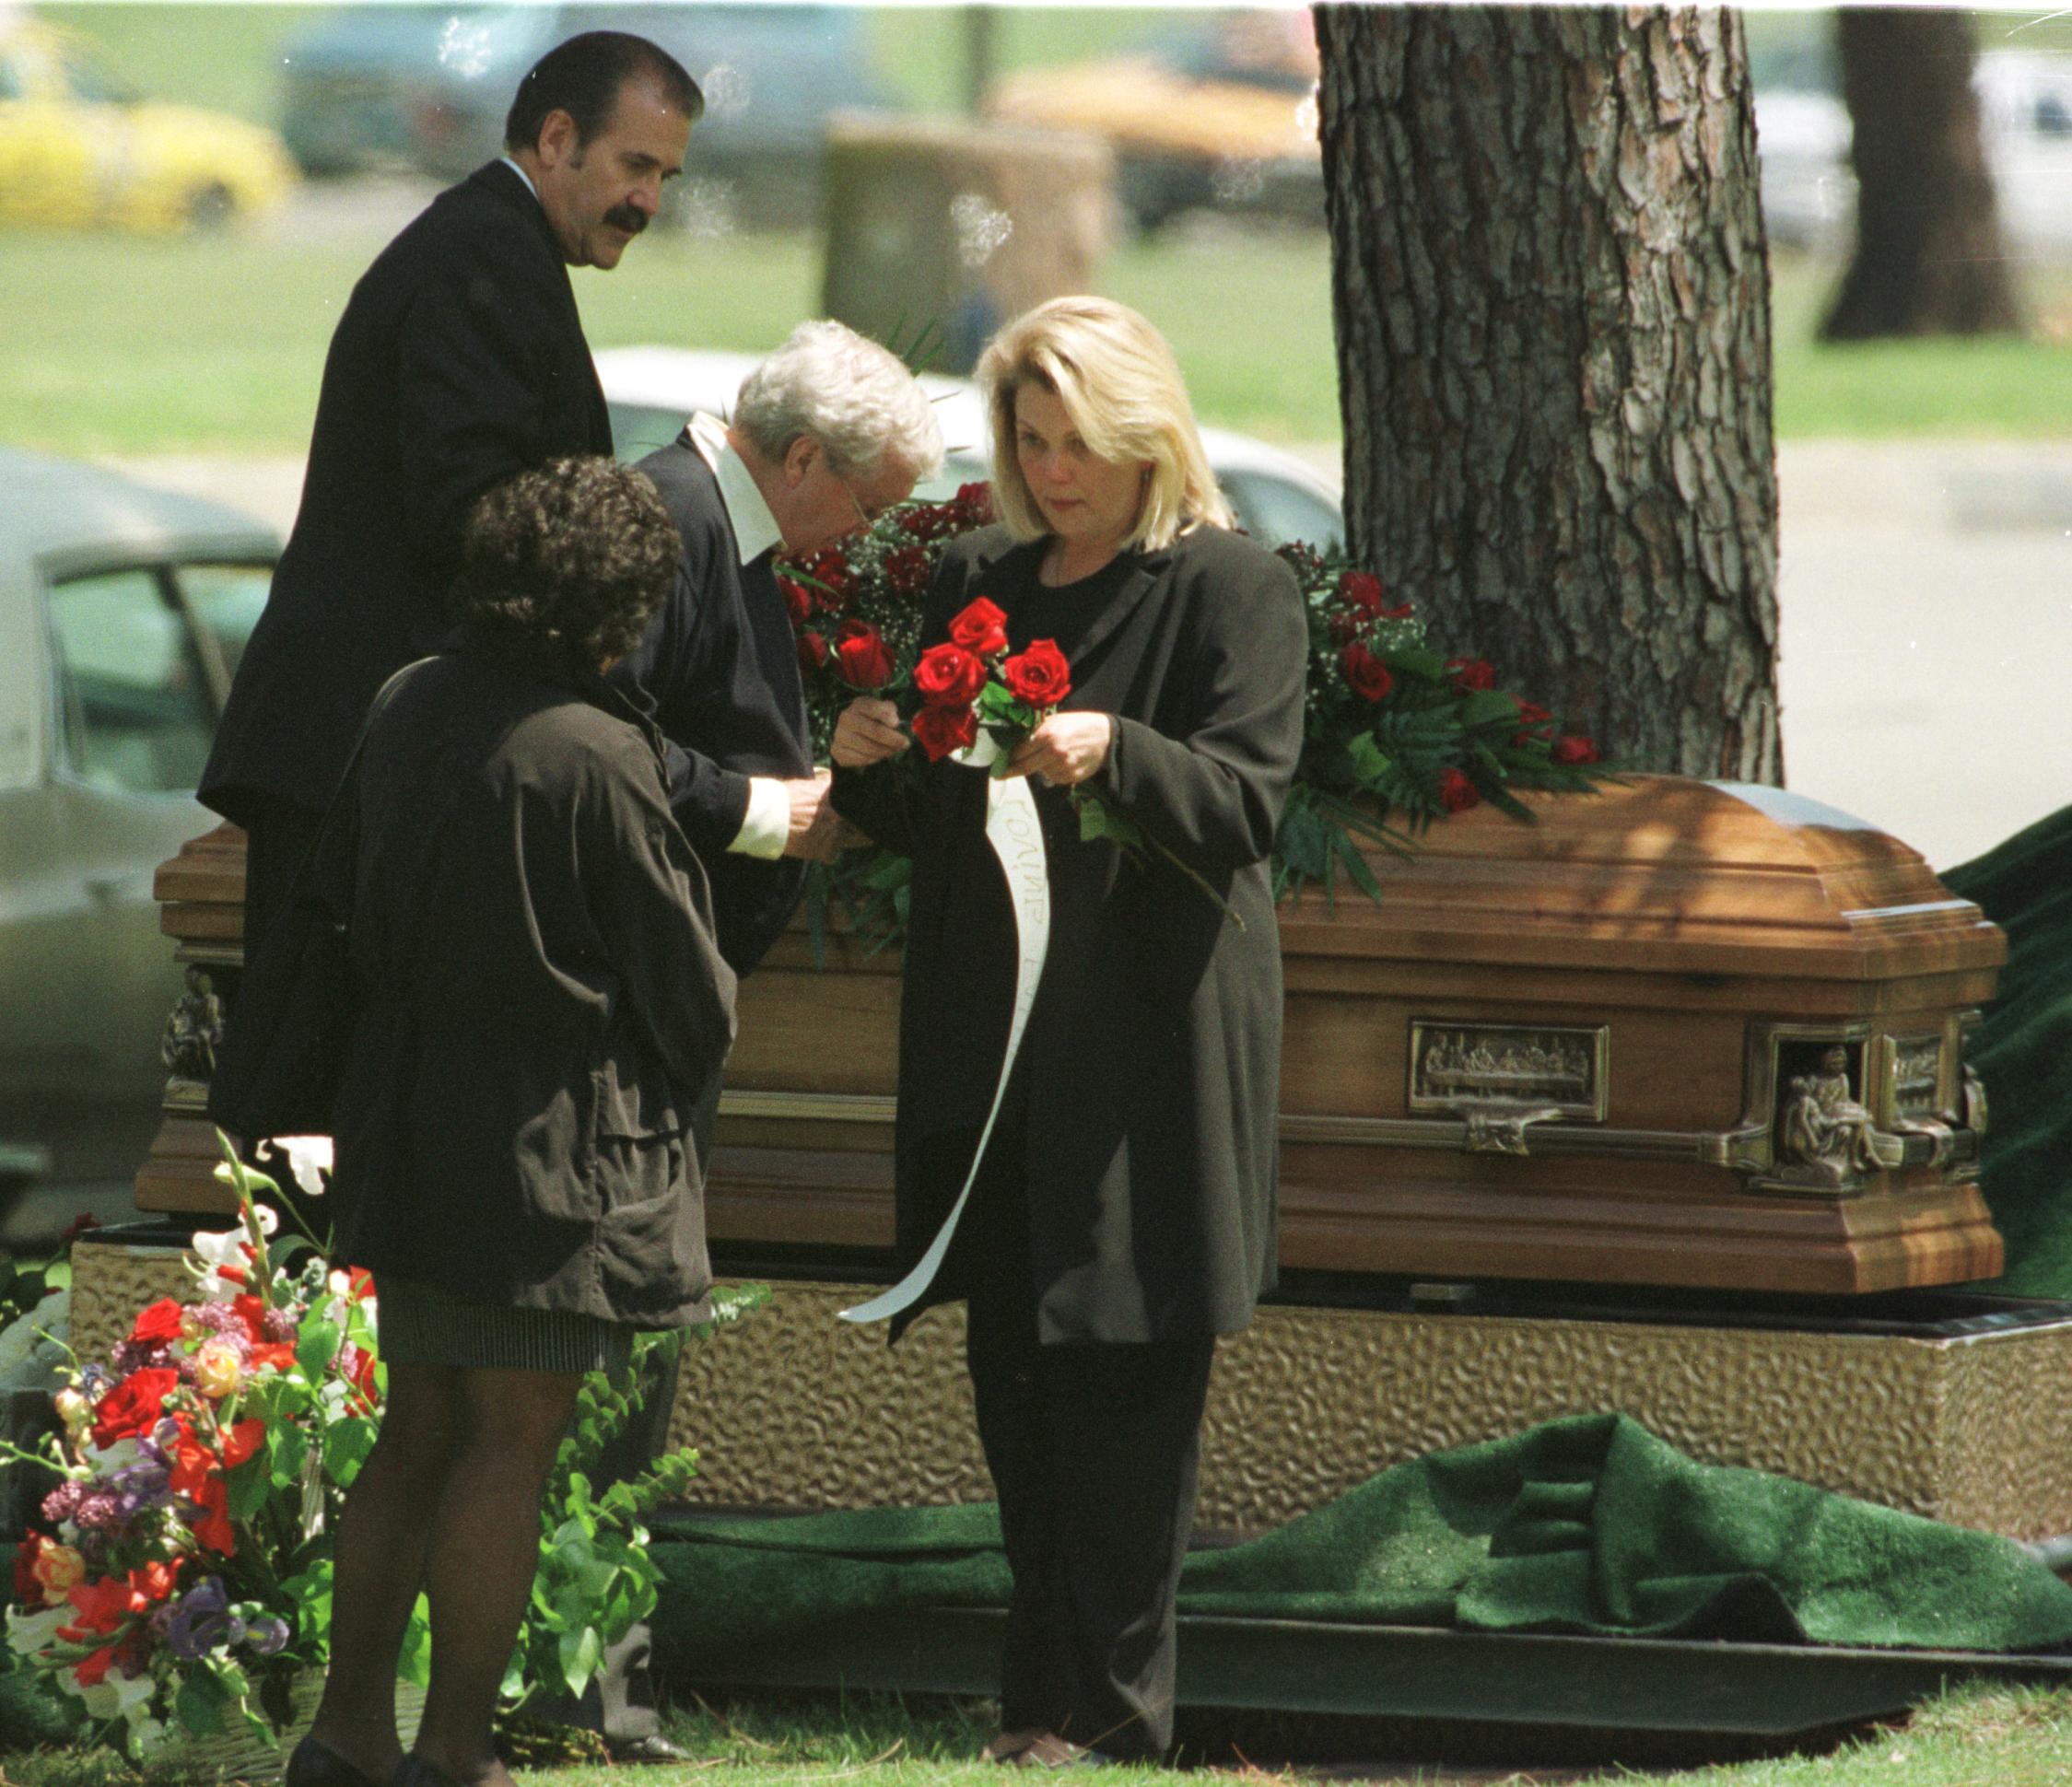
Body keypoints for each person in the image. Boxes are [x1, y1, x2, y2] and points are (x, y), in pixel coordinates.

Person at [828, 296, 1307, 1764]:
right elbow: (930, 802)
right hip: (998, 1047)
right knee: (1019, 1384)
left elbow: (1246, 801)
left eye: (1078, 442)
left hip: (1146, 1057)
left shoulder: (1228, 588)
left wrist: (1121, 748)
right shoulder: (981, 575)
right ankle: (1035, 1710)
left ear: (1144, 429)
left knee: (1127, 1395)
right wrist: (864, 760)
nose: (1053, 472)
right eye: (1030, 442)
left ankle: (1113, 1721)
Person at [287, 457, 736, 1787]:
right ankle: (455, 1751)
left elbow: (336, 898)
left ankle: (343, 1732)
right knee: (507, 1442)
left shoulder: (407, 702)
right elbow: (691, 996)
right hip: (551, 1147)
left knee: (413, 1429)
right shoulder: (597, 755)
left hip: (408, 1119)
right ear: (619, 608)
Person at [555, 319, 940, 1747]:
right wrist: (757, 807)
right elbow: (589, 729)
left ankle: (595, 1671)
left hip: (655, 997)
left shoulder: (723, 533)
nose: (868, 534)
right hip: (623, 1004)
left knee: (634, 1334)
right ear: (796, 459)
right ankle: (587, 1677)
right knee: (616, 1340)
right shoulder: (667, 520)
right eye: (869, 499)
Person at [199, 29, 702, 955]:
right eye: (636, 166)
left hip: (371, 758)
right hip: (357, 762)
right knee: (314, 1091)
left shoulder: (494, 248)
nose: (648, 201)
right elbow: (472, 517)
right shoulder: (482, 259)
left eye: (665, 177)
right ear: (555, 138)